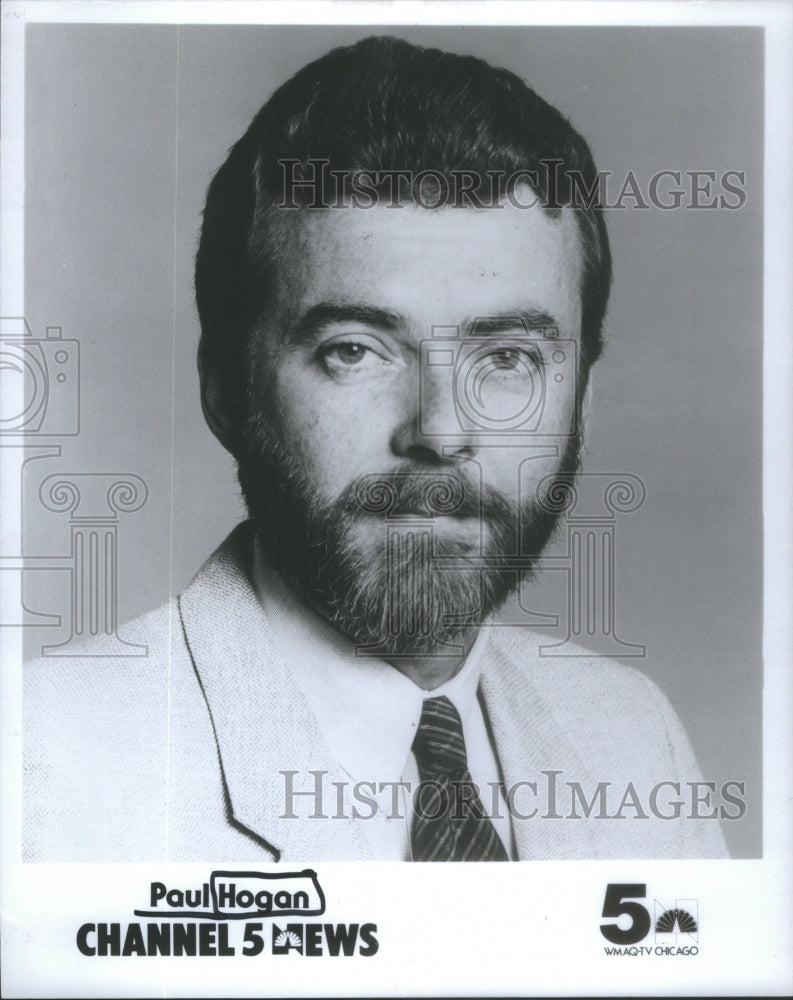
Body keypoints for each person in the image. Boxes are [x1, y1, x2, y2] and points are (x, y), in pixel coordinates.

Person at [24, 35, 727, 862]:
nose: (439, 432)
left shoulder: (632, 737)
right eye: (353, 350)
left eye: (506, 359)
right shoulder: (40, 766)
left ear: (582, 401)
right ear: (225, 390)